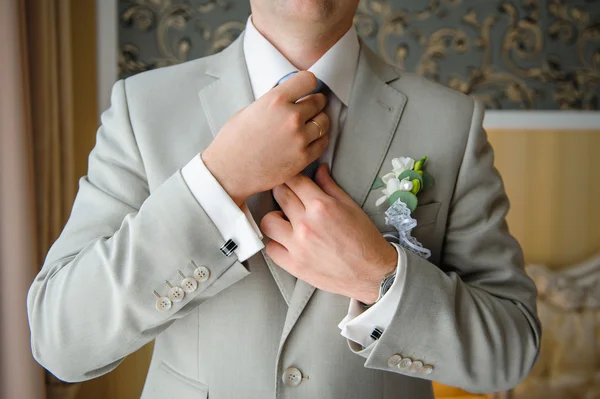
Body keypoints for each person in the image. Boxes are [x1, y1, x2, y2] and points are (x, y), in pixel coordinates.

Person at [27, 0, 541, 398]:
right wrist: (217, 182)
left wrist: (377, 276)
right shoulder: (143, 110)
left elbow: (510, 351)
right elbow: (61, 340)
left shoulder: (451, 122)